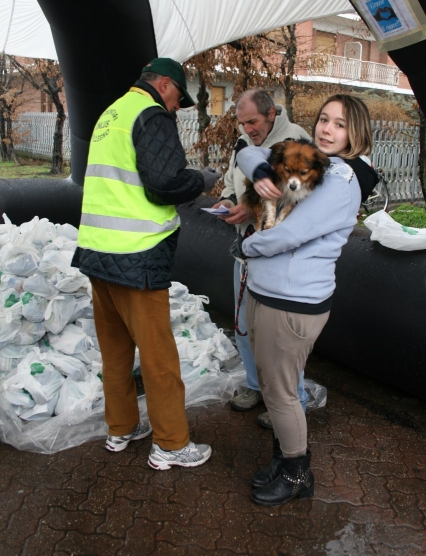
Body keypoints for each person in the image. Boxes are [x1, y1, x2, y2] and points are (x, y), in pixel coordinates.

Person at [71, 57, 220, 470]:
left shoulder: (111, 113)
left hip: (97, 251)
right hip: (137, 254)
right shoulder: (152, 115)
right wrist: (201, 181)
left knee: (115, 350)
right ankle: (171, 444)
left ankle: (120, 428)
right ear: (167, 86)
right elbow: (163, 185)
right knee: (158, 357)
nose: (176, 108)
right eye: (178, 99)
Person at [236, 94, 378, 505]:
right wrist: (261, 171)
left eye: (339, 124)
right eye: (323, 119)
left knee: (281, 393)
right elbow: (249, 152)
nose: (326, 129)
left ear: (356, 133)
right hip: (267, 290)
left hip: (294, 302)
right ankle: (283, 461)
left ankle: (298, 474)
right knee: (270, 383)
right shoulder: (314, 160)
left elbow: (289, 235)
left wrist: (249, 245)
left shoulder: (342, 180)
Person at [212, 89, 310, 428]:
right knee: (244, 326)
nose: (247, 129)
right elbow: (231, 183)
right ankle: (256, 387)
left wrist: (249, 209)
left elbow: (296, 198)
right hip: (247, 249)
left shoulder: (296, 140)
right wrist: (227, 203)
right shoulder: (243, 143)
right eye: (242, 123)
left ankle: (293, 398)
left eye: (252, 121)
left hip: (281, 255)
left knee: (279, 336)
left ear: (270, 114)